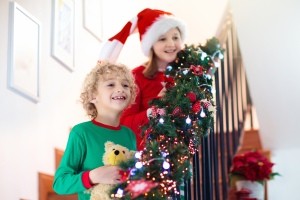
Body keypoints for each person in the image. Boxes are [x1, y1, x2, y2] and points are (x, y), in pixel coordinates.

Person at [98, 8, 187, 151]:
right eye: (162, 38)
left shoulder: (187, 75)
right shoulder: (136, 77)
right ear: (150, 43)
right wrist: (153, 112)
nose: (171, 44)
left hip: (181, 153)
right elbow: (124, 123)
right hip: (150, 157)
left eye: (175, 37)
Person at [53, 61, 137, 200]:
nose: (120, 89)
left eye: (125, 85)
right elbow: (60, 183)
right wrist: (93, 176)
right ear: (93, 96)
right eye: (111, 84)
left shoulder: (129, 135)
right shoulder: (81, 132)